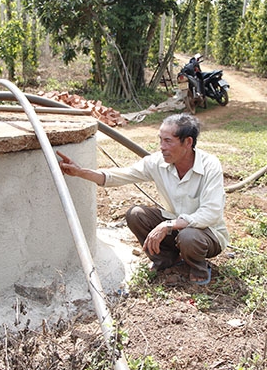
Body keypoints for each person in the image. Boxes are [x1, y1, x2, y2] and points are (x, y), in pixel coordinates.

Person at [57, 113, 228, 285]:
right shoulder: (157, 162)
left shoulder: (209, 165)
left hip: (206, 233)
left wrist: (168, 225)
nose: (161, 147)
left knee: (189, 236)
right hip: (175, 225)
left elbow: (211, 213)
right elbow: (121, 175)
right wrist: (81, 172)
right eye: (160, 140)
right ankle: (166, 260)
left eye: (168, 141)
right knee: (136, 214)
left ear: (188, 142)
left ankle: (198, 267)